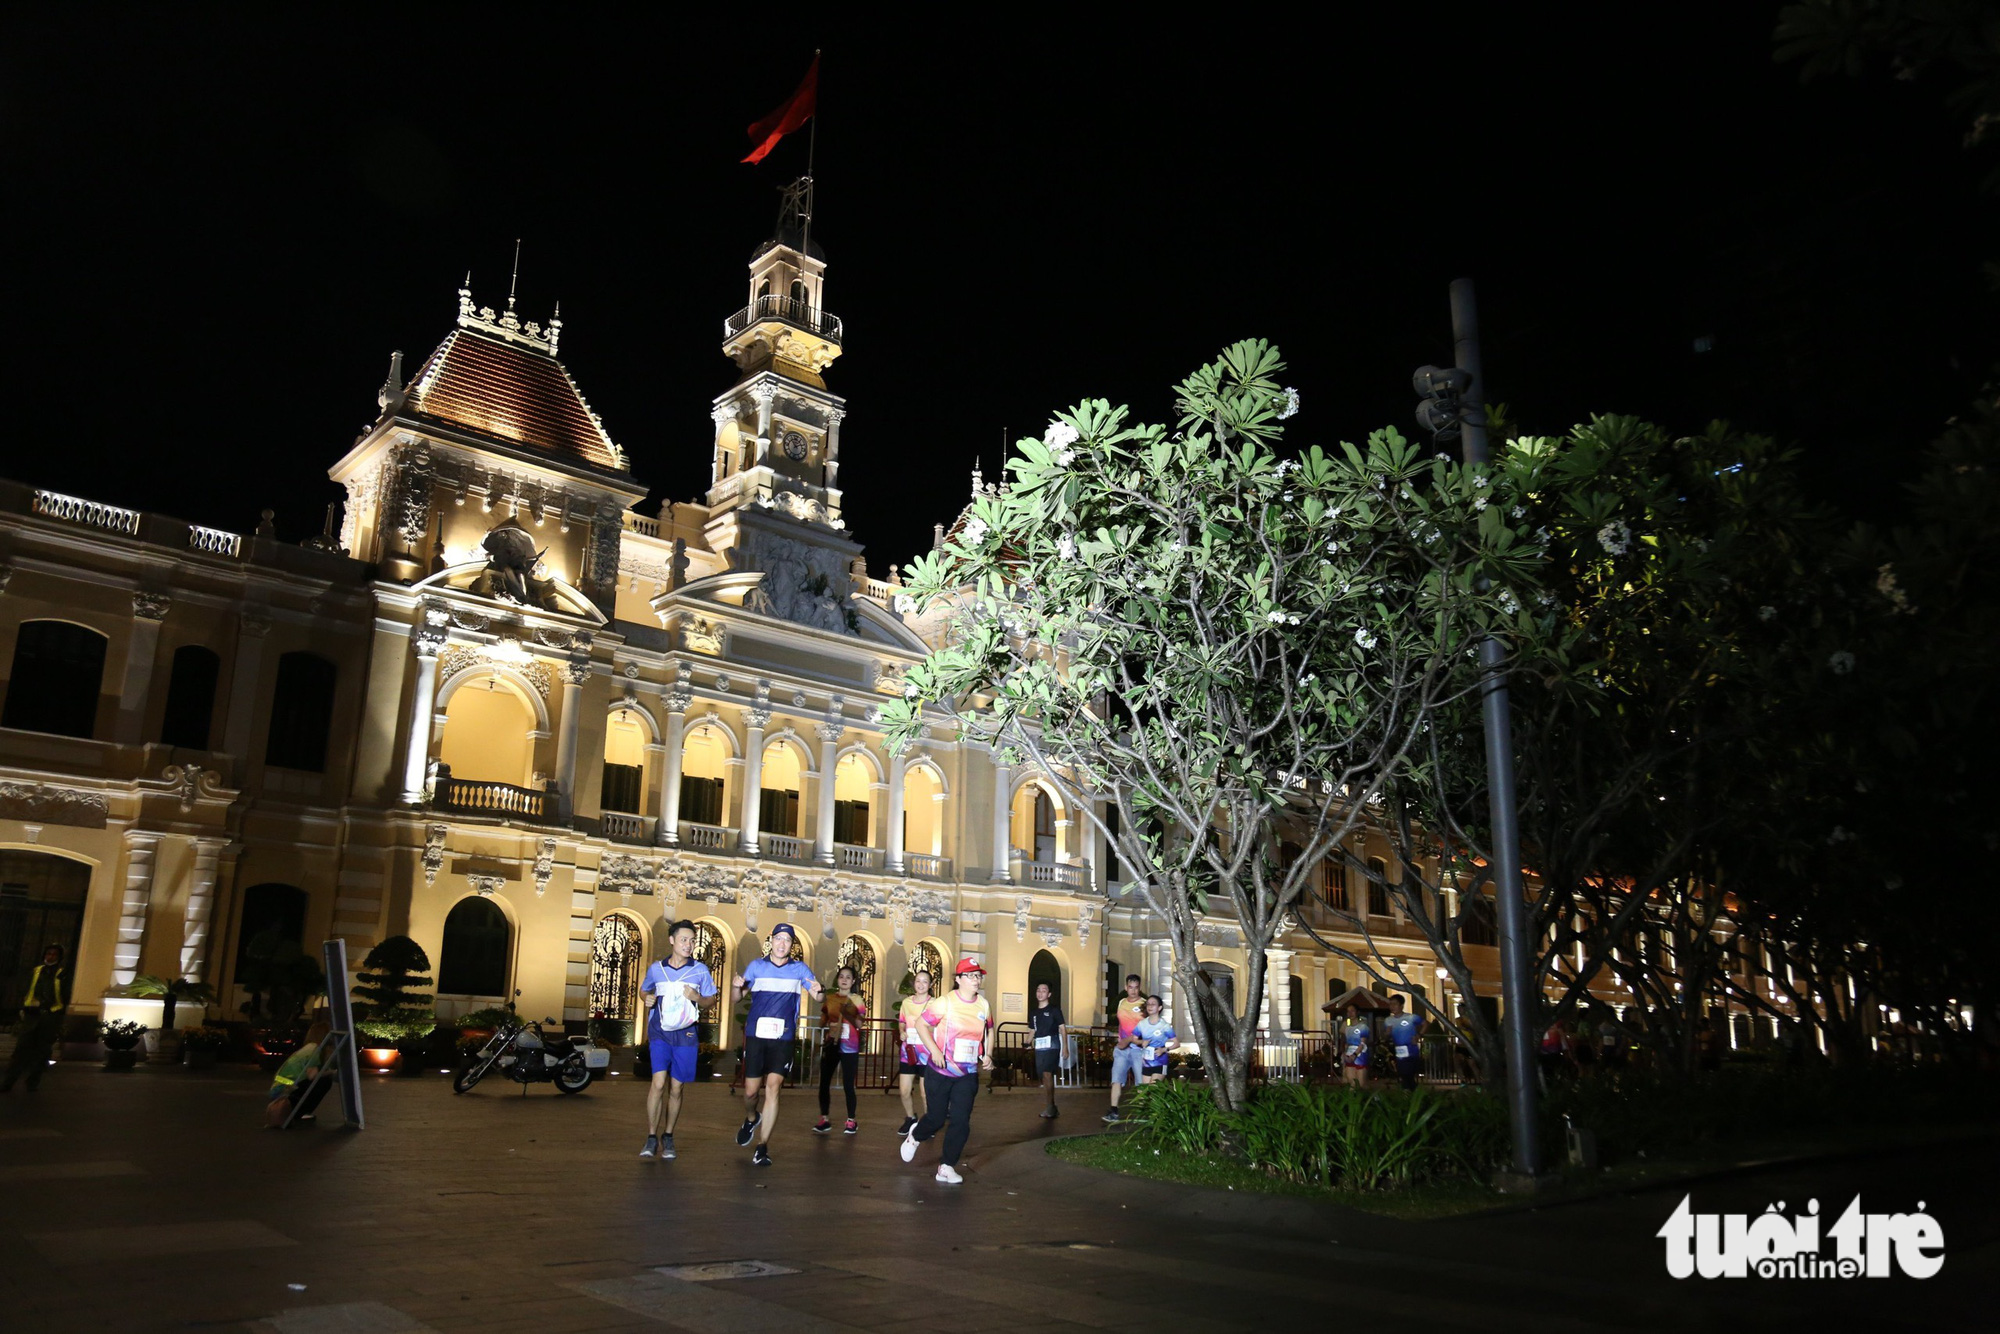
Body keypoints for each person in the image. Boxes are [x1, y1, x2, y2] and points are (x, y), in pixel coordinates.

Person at [730, 923, 822, 1167]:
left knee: (773, 1088)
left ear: (792, 945)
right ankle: (752, 1117)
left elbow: (818, 995)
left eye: (788, 940)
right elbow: (737, 998)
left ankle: (762, 1146)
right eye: (779, 939)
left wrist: (819, 991)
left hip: (783, 1038)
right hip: (757, 1037)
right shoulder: (756, 967)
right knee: (751, 1092)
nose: (783, 944)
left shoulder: (799, 969)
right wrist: (735, 987)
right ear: (771, 941)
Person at [899, 957, 992, 1185]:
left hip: (967, 1075)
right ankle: (915, 1136)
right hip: (939, 1072)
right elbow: (921, 1024)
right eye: (970, 975)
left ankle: (947, 1166)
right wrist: (935, 1052)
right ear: (958, 979)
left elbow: (989, 1031)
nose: (976, 980)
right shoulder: (945, 1002)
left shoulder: (983, 1004)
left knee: (961, 1121)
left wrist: (988, 1054)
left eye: (978, 975)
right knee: (936, 1118)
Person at [639, 920, 719, 1161]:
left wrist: (697, 997)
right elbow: (644, 990)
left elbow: (711, 1000)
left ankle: (669, 1135)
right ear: (672, 940)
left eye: (693, 941)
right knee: (659, 1082)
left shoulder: (700, 970)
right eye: (684, 939)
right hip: (660, 1032)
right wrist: (647, 998)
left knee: (677, 1086)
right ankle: (652, 1137)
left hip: (686, 1033)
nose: (689, 944)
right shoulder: (657, 969)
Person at [1, 943, 68, 1093]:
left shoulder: (62, 974)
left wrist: (54, 1013)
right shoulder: (36, 971)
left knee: (42, 1052)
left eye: (54, 954)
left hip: (49, 1017)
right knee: (20, 1051)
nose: (50, 956)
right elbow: (25, 990)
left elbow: (64, 995)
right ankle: (8, 1082)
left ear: (59, 957)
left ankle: (32, 1083)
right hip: (32, 1016)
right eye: (48, 953)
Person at [813, 965, 867, 1135]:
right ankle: (824, 1118)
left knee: (848, 1084)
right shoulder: (830, 998)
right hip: (832, 1044)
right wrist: (824, 1025)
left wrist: (847, 1013)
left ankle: (851, 1120)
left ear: (853, 981)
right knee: (824, 1082)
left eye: (848, 977)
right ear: (838, 979)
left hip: (849, 1046)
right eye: (841, 976)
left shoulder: (857, 999)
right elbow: (823, 1019)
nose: (844, 980)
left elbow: (859, 1024)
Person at [264, 1021, 331, 1128]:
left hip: (279, 1089)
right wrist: (332, 1071)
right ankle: (300, 1112)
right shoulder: (315, 1050)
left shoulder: (308, 1048)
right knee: (325, 1081)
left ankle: (296, 1110)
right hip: (286, 1092)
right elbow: (311, 1075)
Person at [1101, 973, 1147, 1122]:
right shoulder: (1121, 1002)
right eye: (1130, 987)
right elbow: (1121, 1023)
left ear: (1139, 988)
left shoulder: (1145, 1004)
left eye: (1136, 988)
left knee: (1141, 1082)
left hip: (1138, 1050)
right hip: (1122, 1049)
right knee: (1116, 1079)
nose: (1133, 991)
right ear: (1126, 987)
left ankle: (1143, 1112)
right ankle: (1113, 1111)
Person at [895, 969, 933, 1134]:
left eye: (925, 981)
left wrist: (927, 1029)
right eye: (918, 980)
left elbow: (939, 1026)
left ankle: (928, 1122)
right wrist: (902, 1031)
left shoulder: (935, 1004)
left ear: (930, 985)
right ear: (914, 983)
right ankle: (910, 1118)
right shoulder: (907, 1003)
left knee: (926, 1094)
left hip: (927, 1054)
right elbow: (902, 1022)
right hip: (908, 1053)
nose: (921, 984)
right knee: (904, 1090)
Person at [1028, 979, 1065, 1118]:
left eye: (1044, 991)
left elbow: (1062, 1028)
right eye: (1038, 990)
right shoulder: (1034, 1013)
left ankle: (1050, 1107)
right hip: (1040, 1047)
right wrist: (1027, 1043)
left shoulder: (1054, 1010)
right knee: (1043, 1076)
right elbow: (1032, 1030)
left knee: (1047, 1074)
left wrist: (1065, 1048)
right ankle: (1052, 1105)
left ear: (1049, 994)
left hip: (1052, 1045)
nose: (1040, 993)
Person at [1385, 995, 1425, 1091]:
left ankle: (1409, 1094)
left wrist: (1418, 1035)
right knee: (1404, 1075)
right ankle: (1412, 1095)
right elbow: (1387, 1035)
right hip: (1399, 1052)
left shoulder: (1411, 1017)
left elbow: (1425, 1023)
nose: (1392, 1006)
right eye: (1390, 1004)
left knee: (1408, 1074)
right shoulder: (1388, 1020)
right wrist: (1387, 1033)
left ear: (1401, 1005)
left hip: (1412, 1051)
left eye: (1395, 1004)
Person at [1135, 994, 1176, 1084]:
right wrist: (1142, 1042)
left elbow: (1176, 1043)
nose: (1150, 1006)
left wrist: (1164, 1049)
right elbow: (1134, 1039)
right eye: (1148, 1004)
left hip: (1160, 1062)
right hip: (1146, 1062)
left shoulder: (1164, 1025)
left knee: (1153, 1089)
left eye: (1153, 1004)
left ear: (1159, 1008)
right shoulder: (1142, 1024)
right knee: (1143, 1094)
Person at [1340, 1004, 1372, 1087]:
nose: (1350, 1013)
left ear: (1357, 1012)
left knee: (1360, 1084)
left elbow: (1363, 1043)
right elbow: (1345, 1042)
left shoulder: (1363, 1027)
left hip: (1360, 1056)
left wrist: (1355, 1054)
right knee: (1352, 1083)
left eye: (1352, 1011)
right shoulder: (1347, 1028)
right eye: (1348, 1011)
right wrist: (1344, 1054)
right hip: (1349, 1056)